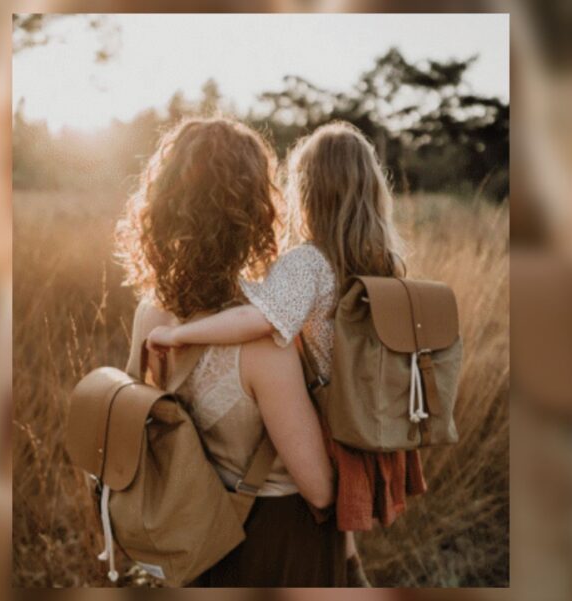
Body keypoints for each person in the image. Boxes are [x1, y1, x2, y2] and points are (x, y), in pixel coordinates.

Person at [148, 121, 429, 587]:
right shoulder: (382, 263)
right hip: (367, 419)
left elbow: (261, 319)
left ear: (305, 193)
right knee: (349, 560)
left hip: (219, 521)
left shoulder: (304, 263)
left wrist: (182, 335)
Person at [115, 117, 345, 587]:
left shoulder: (150, 315)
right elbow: (320, 492)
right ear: (256, 212)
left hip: (195, 538)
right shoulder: (263, 340)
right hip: (276, 544)